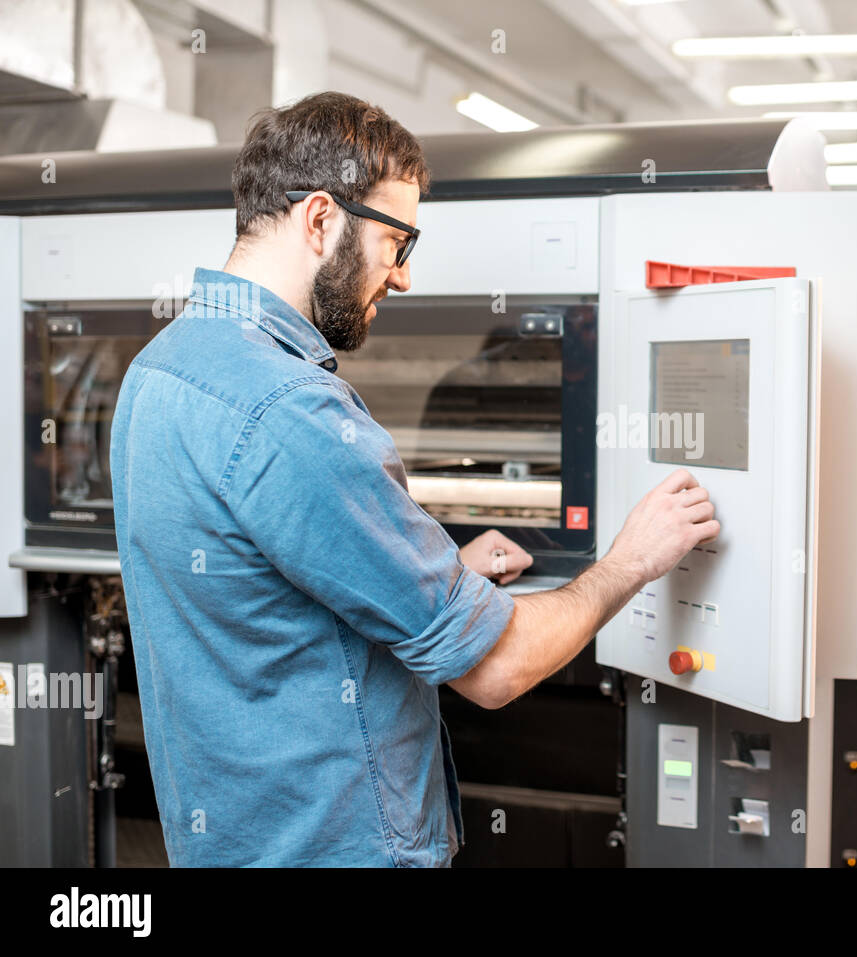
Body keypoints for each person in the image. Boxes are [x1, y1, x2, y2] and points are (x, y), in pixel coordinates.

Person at [109, 91, 718, 866]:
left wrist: (439, 574)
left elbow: (266, 595)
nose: (401, 279)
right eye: (398, 242)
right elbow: (496, 670)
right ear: (321, 220)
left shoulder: (157, 371)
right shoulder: (293, 408)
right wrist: (635, 556)